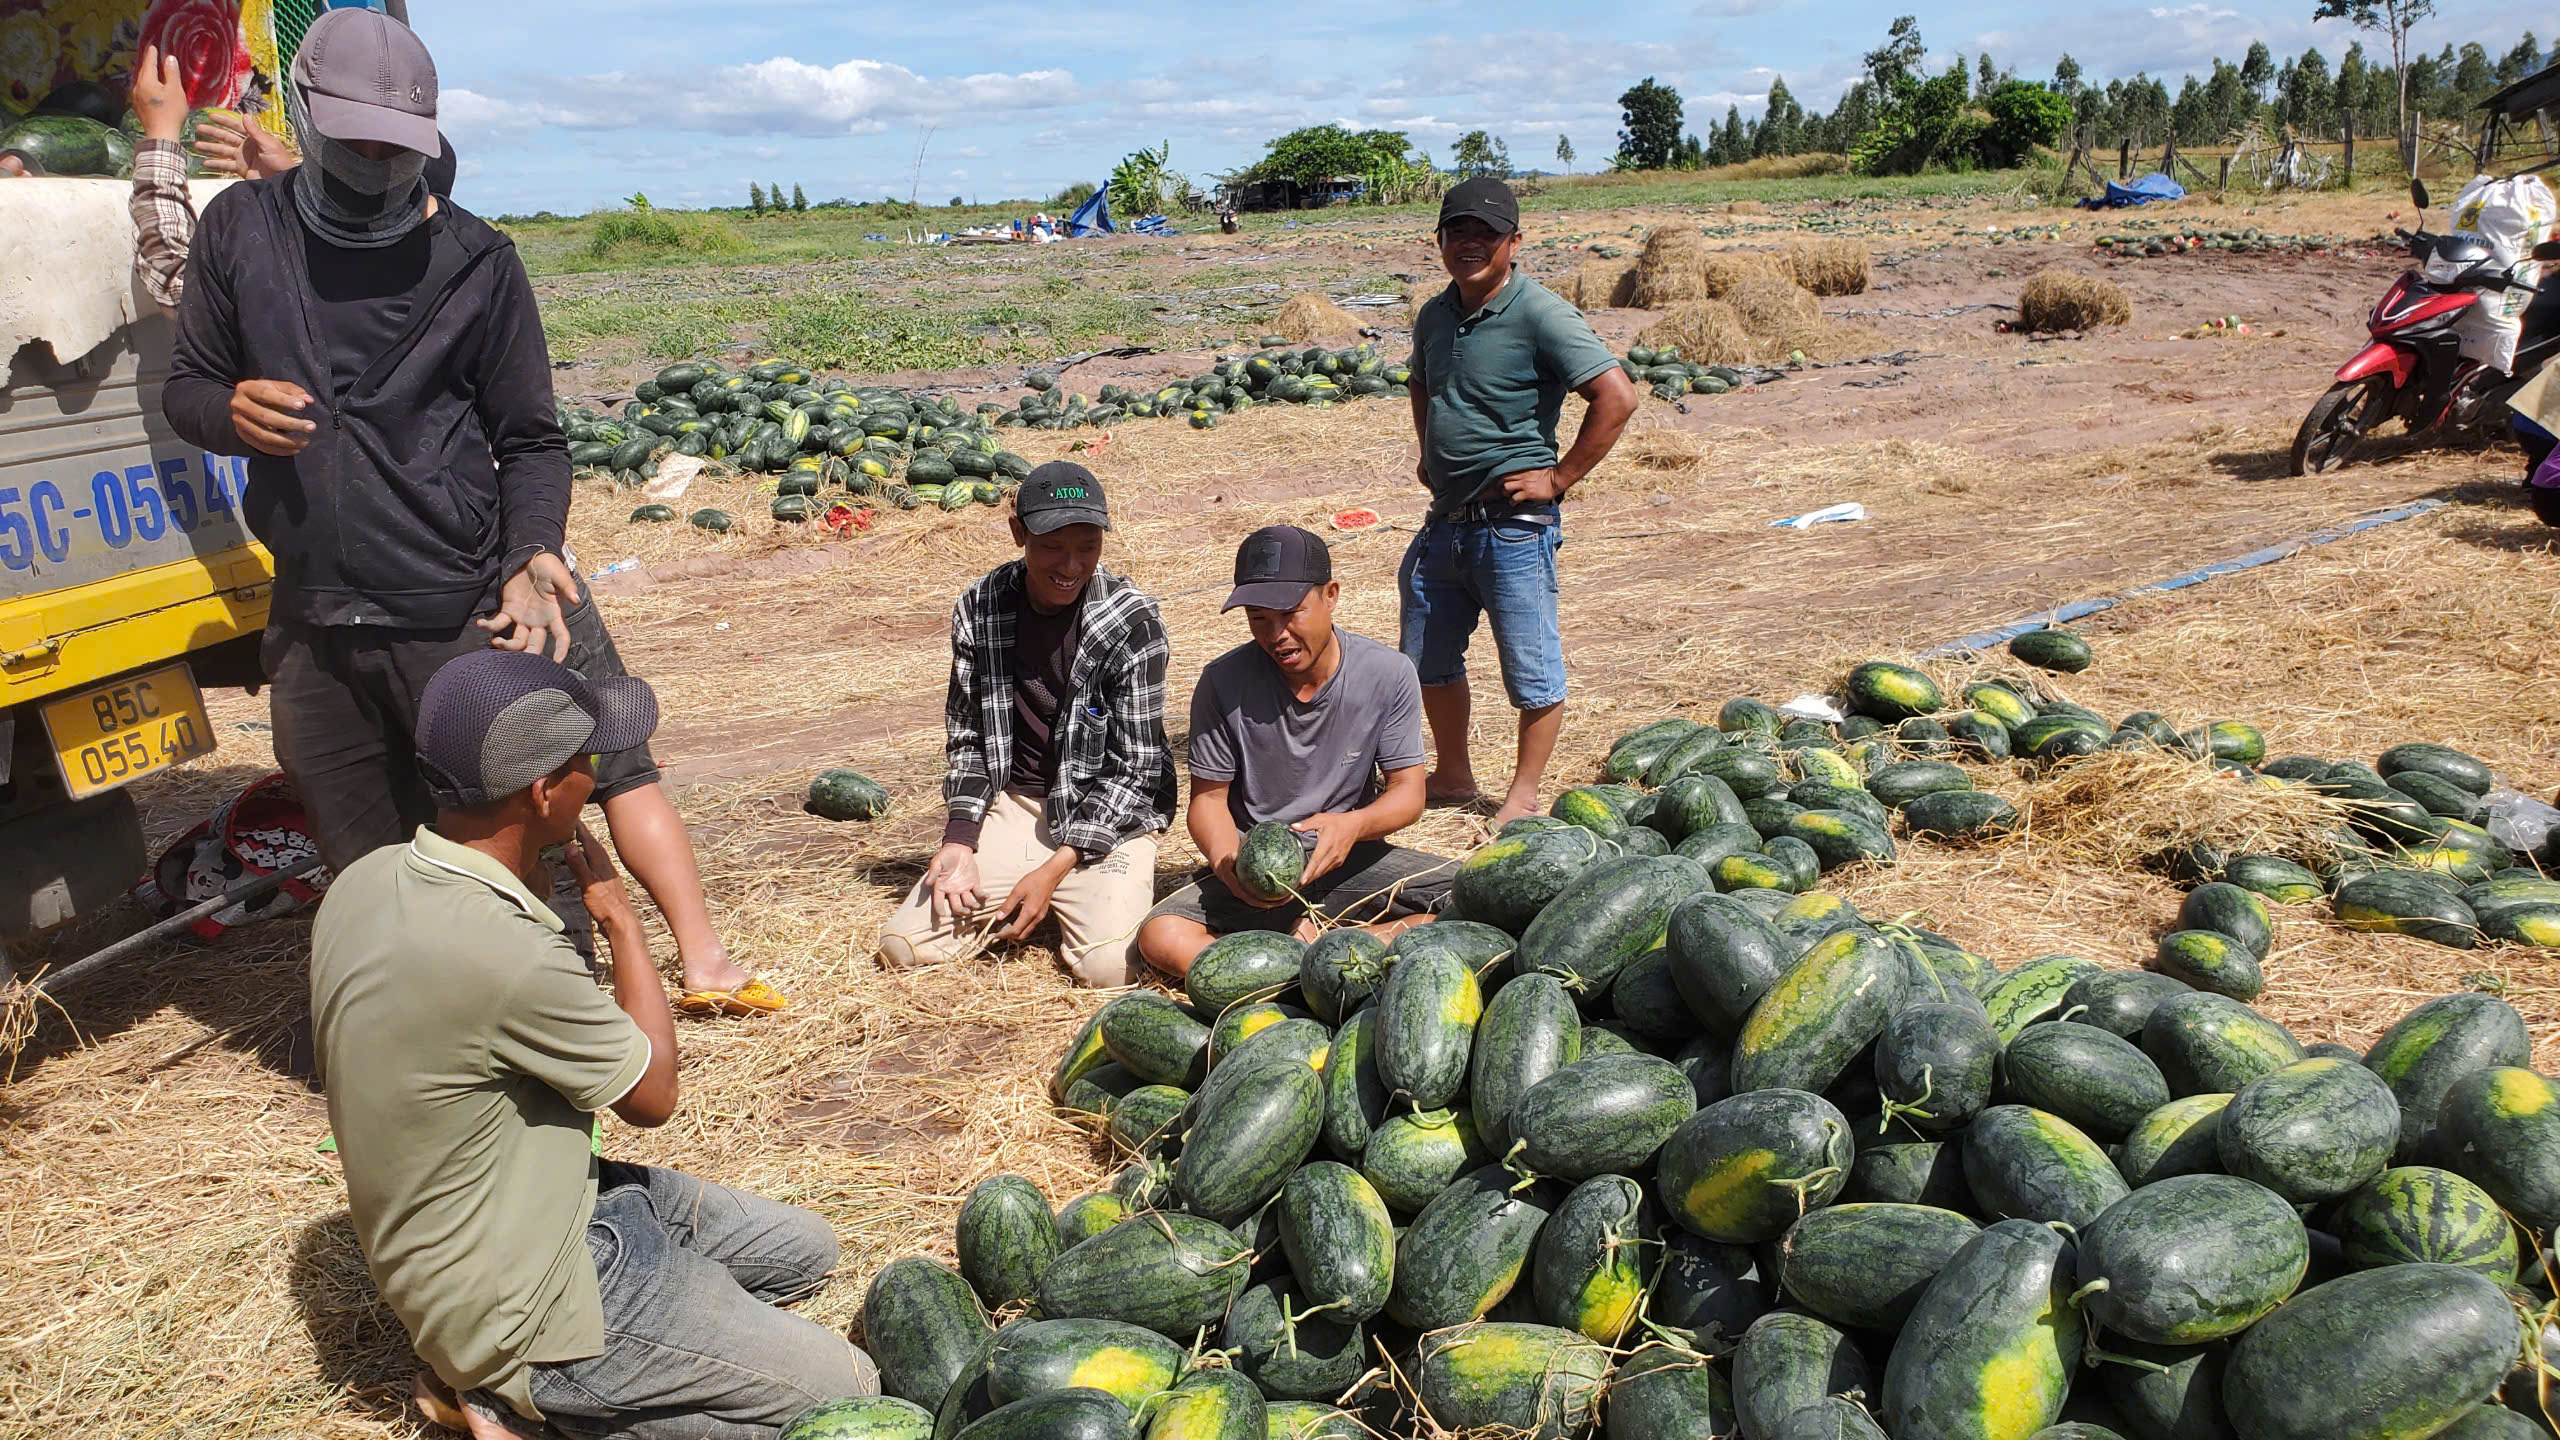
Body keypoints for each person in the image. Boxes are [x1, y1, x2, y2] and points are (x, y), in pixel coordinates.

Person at [310, 649, 873, 1440]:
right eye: (589, 763)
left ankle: (619, 1349)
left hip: (549, 1207)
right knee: (848, 1391)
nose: (599, 778)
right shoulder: (502, 952)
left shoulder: (366, 881)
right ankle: (516, 1401)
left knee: (808, 1253)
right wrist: (621, 921)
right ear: (544, 791)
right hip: (532, 1303)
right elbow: (652, 1098)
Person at [1402, 176, 1639, 827]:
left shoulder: (1541, 313)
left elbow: (1617, 397)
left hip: (1513, 528)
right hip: (1445, 523)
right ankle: (1452, 776)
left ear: (1514, 241)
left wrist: (1559, 479)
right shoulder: (1433, 315)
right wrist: (1428, 449)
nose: (1470, 244)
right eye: (1459, 232)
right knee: (1426, 657)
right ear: (1440, 240)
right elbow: (1422, 383)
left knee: (1530, 671)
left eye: (1486, 233)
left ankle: (1524, 794)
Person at [880, 462, 1175, 985]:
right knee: (904, 948)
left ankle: (1067, 888)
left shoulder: (1132, 623)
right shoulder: (981, 606)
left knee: (1107, 969)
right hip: (1018, 802)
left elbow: (1137, 771)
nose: (1071, 564)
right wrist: (960, 840)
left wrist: (1053, 868)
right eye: (1052, 546)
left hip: (1107, 812)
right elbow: (969, 736)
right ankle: (1028, 883)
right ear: (1019, 532)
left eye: (1087, 545)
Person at [1135, 526, 1448, 979]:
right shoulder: (1223, 682)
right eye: (1259, 618)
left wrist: (1352, 825)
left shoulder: (1388, 673)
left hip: (1350, 860)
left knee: (1477, 896)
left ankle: (1328, 951)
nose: (1277, 634)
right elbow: (1207, 803)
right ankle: (1317, 966)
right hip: (1257, 872)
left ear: (1331, 595)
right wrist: (1229, 867)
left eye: (1292, 613)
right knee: (1161, 936)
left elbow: (1408, 793)